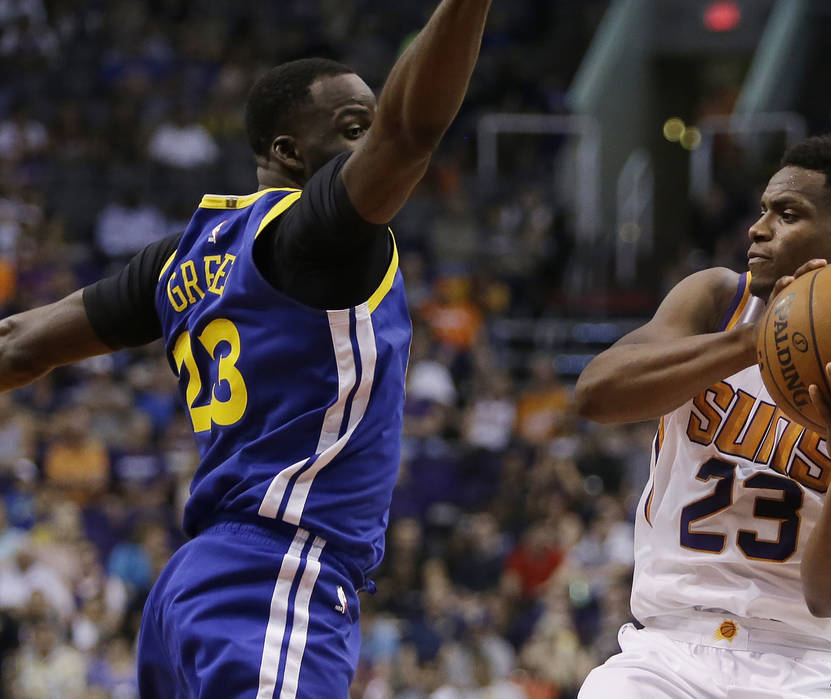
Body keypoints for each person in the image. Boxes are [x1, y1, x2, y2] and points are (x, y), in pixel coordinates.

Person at [0, 0, 491, 696]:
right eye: (355, 129)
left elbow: (18, 346)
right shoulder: (316, 237)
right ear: (289, 152)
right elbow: (411, 131)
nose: (371, 144)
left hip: (195, 585)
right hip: (275, 573)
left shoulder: (180, 259)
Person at [575, 133, 831, 698]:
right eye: (763, 210)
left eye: (787, 214)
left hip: (811, 664)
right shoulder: (717, 300)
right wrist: (752, 342)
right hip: (668, 654)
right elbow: (595, 396)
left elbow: (829, 594)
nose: (758, 228)